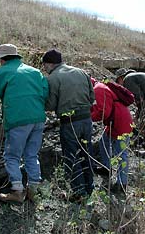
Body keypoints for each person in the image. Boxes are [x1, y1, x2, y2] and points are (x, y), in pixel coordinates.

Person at [0, 44, 49, 203]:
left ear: (2, 59)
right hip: (38, 119)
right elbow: (45, 93)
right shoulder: (35, 71)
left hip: (18, 119)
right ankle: (34, 190)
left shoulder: (4, 71)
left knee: (12, 156)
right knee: (31, 154)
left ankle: (17, 191)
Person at [42, 49, 95, 202]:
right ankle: (89, 187)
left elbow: (51, 105)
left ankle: (79, 193)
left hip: (70, 122)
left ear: (50, 63)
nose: (44, 68)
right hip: (87, 119)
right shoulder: (81, 72)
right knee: (87, 153)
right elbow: (92, 97)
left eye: (45, 65)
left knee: (71, 156)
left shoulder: (53, 78)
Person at [90, 78, 133, 194]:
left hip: (121, 123)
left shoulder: (98, 89)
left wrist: (89, 117)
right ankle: (106, 168)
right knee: (103, 142)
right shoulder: (100, 87)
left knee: (122, 153)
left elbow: (104, 112)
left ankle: (122, 184)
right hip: (115, 121)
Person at [115, 68, 145, 159]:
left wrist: (138, 116)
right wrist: (138, 114)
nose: (120, 85)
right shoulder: (135, 76)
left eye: (118, 82)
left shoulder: (128, 79)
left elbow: (139, 98)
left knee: (144, 124)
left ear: (121, 78)